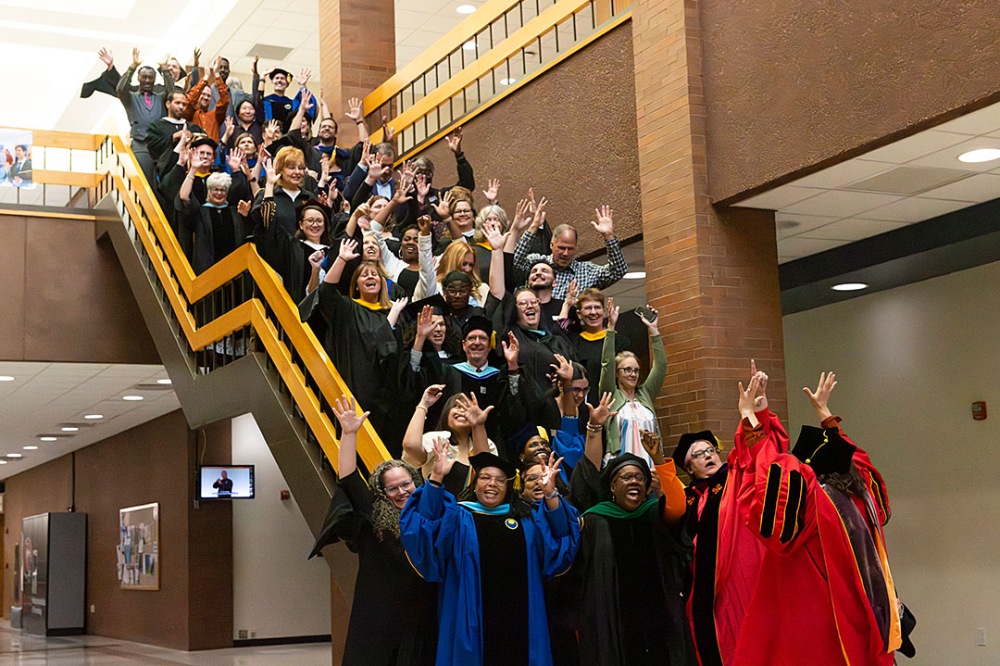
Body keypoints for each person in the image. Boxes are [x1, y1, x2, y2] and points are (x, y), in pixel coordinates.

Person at [737, 372, 905, 665]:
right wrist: (827, 417)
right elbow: (861, 463)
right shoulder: (863, 497)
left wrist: (752, 419)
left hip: (817, 621)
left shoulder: (815, 502)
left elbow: (768, 482)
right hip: (863, 615)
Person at [401, 443, 581, 666]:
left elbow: (560, 537)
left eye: (499, 480)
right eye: (485, 478)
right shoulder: (458, 517)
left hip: (521, 620)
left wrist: (551, 493)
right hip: (470, 616)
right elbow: (425, 526)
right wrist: (436, 477)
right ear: (475, 484)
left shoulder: (527, 519)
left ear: (508, 487)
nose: (492, 484)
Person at [307, 396, 437, 665]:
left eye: (406, 484)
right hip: (377, 616)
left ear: (416, 484)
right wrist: (349, 433)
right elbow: (348, 476)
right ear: (382, 492)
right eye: (393, 488)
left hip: (419, 616)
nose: (401, 492)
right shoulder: (374, 514)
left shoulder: (429, 514)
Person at [568, 391, 693, 666]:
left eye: (639, 477)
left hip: (659, 620)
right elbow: (586, 477)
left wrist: (658, 460)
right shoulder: (596, 521)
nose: (634, 482)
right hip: (613, 623)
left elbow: (678, 506)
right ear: (612, 486)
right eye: (626, 477)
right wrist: (594, 429)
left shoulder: (653, 516)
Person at [670, 361, 781, 666]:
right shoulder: (688, 500)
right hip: (711, 601)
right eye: (698, 454)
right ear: (688, 468)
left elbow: (752, 450)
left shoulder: (735, 476)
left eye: (710, 450)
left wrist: (755, 412)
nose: (707, 456)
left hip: (746, 582)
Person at [512, 203, 628, 299]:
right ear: (552, 245)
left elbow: (618, 270)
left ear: (576, 248)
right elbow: (514, 262)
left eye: (570, 249)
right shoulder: (537, 264)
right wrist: (534, 227)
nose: (566, 253)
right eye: (562, 248)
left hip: (569, 325)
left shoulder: (587, 271)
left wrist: (609, 237)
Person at [599, 299, 665, 464]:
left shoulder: (645, 394)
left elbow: (661, 365)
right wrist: (610, 328)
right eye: (627, 370)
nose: (632, 374)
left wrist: (653, 330)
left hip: (651, 466)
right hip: (620, 464)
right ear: (617, 373)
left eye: (636, 370)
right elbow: (606, 365)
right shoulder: (611, 396)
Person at [116, 48, 175, 184]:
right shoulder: (130, 98)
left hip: (160, 145)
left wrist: (165, 70)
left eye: (151, 77)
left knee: (162, 183)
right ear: (138, 78)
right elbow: (120, 88)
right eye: (144, 77)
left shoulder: (160, 98)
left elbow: (172, 94)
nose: (148, 80)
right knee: (144, 181)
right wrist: (133, 66)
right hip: (140, 145)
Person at [572, 288, 629, 406]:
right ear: (579, 314)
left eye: (597, 307)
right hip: (584, 405)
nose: (593, 312)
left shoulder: (619, 341)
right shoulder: (573, 343)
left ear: (604, 311)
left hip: (615, 404)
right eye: (588, 308)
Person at [184, 56, 230, 142]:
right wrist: (206, 77)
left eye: (208, 95)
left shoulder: (215, 116)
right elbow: (190, 101)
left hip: (211, 153)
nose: (205, 97)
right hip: (194, 153)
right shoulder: (191, 114)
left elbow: (225, 101)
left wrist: (216, 74)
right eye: (203, 94)